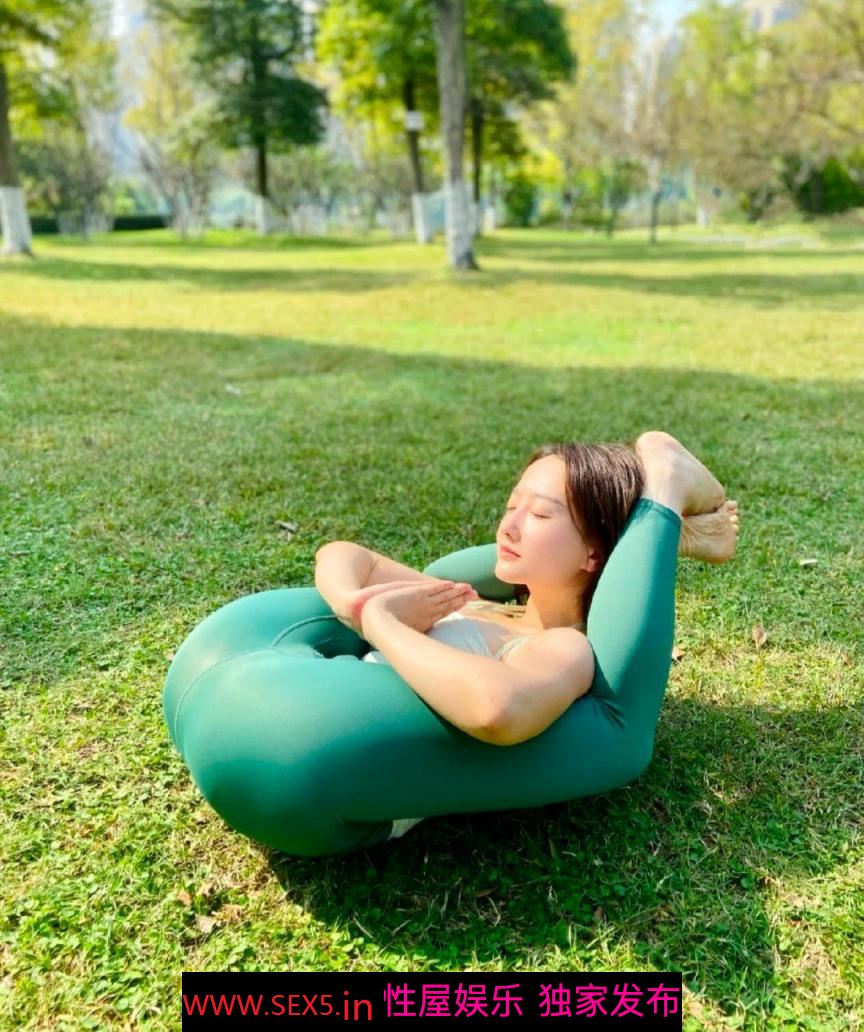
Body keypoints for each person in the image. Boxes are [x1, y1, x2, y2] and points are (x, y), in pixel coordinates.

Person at [314, 430, 739, 841]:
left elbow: (497, 708)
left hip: (336, 770)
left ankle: (664, 496)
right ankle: (673, 535)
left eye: (539, 515)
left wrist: (379, 621)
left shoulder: (561, 645)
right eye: (511, 506)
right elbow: (347, 556)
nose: (508, 528)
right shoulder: (473, 601)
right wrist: (350, 600)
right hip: (321, 705)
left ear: (594, 551)